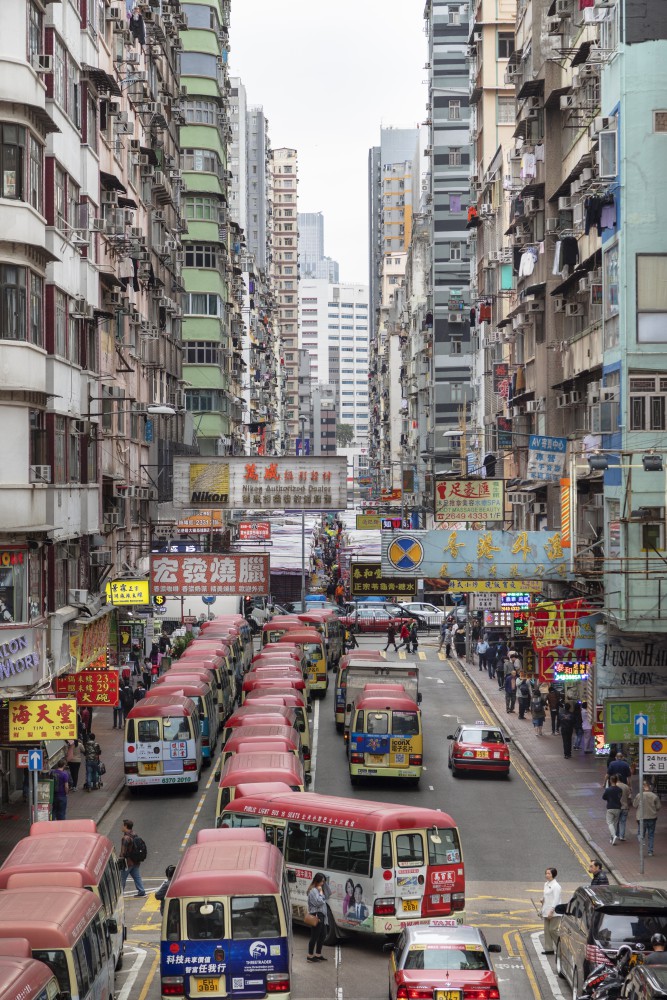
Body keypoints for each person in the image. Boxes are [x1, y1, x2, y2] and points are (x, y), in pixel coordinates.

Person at [306, 873, 330, 961]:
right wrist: (320, 892)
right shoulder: (313, 891)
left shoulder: (319, 889)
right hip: (316, 914)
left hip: (322, 914)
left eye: (324, 881)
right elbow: (319, 902)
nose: (323, 883)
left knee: (323, 934)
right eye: (322, 881)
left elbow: (328, 894)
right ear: (317, 881)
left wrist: (322, 890)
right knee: (315, 936)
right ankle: (310, 955)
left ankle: (318, 954)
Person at [634, 779, 661, 857]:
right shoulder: (654, 796)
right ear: (649, 786)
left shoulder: (639, 795)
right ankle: (650, 851)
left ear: (642, 787)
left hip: (641, 818)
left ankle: (642, 848)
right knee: (651, 835)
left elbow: (635, 805)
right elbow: (658, 807)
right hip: (652, 817)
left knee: (640, 834)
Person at [120, 819, 146, 897]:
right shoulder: (134, 834)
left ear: (126, 826)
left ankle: (120, 894)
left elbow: (123, 852)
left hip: (128, 862)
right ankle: (141, 891)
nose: (121, 827)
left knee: (122, 878)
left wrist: (120, 860)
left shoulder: (125, 838)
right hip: (136, 860)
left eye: (122, 825)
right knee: (137, 876)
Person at [539, 867, 561, 955]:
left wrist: (552, 910)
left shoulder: (556, 886)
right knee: (547, 930)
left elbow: (556, 899)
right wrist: (542, 899)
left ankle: (561, 946)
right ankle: (549, 949)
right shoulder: (546, 884)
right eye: (546, 873)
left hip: (554, 912)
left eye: (549, 874)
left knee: (553, 930)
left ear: (553, 875)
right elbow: (546, 895)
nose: (547, 875)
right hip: (546, 910)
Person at [603, 775, 623, 845]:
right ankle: (612, 838)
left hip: (610, 807)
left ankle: (614, 836)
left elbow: (604, 797)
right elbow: (620, 797)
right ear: (616, 780)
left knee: (609, 823)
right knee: (615, 823)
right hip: (618, 808)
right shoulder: (620, 789)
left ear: (611, 781)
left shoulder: (608, 790)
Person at [616, 774, 632, 841]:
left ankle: (616, 835)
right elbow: (629, 797)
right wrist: (628, 805)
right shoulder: (626, 786)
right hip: (625, 807)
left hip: (616, 807)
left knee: (616, 822)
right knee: (623, 822)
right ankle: (622, 836)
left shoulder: (614, 786)